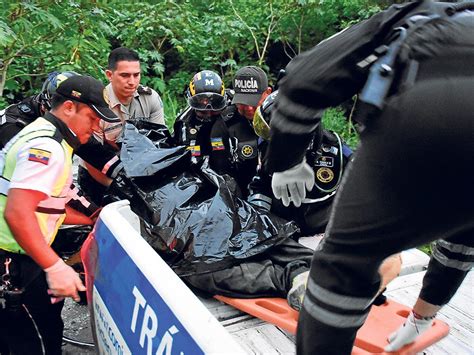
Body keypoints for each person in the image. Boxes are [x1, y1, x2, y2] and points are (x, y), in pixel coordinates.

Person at [264, 1, 474, 353]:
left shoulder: (419, 13)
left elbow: (303, 80)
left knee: (341, 267)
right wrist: (422, 316)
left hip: (430, 110)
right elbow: (463, 241)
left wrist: (285, 160)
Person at [0, 75, 120, 354]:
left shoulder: (47, 135)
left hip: (21, 256)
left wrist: (92, 217)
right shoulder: (47, 147)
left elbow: (48, 203)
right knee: (39, 342)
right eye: (92, 117)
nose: (96, 126)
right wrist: (55, 267)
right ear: (69, 107)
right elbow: (18, 213)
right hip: (14, 262)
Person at [78, 47, 165, 204]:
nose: (132, 82)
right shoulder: (96, 105)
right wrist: (119, 188)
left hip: (140, 170)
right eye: (125, 75)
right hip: (99, 175)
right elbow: (91, 158)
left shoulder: (150, 98)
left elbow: (159, 142)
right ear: (109, 75)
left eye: (136, 75)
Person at [208, 66, 272, 197]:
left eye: (253, 101)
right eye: (242, 102)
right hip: (241, 193)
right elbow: (221, 169)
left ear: (268, 93)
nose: (248, 108)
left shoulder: (284, 117)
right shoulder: (224, 124)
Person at [173, 70, 228, 162]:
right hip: (198, 157)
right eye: (202, 110)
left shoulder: (231, 110)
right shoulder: (184, 123)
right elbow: (188, 159)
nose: (208, 113)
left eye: (214, 105)